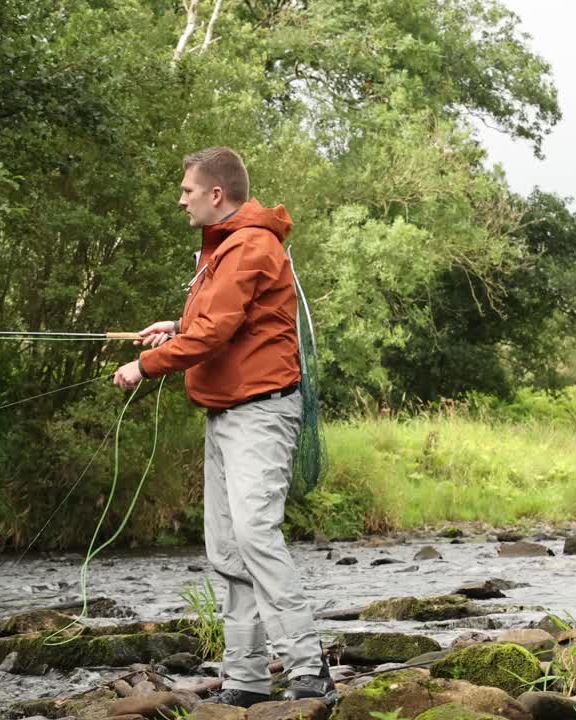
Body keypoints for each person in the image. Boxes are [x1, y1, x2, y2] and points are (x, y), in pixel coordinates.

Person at [112, 147, 332, 706]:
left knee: (255, 535)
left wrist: (145, 365)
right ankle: (246, 679)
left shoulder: (250, 244)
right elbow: (217, 320)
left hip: (259, 413)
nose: (180, 199)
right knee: (229, 549)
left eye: (187, 190)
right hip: (226, 412)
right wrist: (175, 325)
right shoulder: (227, 247)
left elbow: (214, 333)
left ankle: (309, 669)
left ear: (216, 194)